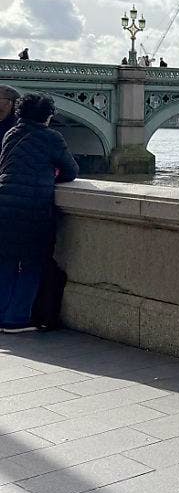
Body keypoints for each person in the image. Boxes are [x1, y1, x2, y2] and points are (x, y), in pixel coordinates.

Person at [0, 94, 78, 333]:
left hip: (3, 203)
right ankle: (16, 318)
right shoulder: (52, 137)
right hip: (31, 208)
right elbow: (71, 171)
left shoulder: (10, 134)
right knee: (33, 262)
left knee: (5, 262)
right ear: (48, 116)